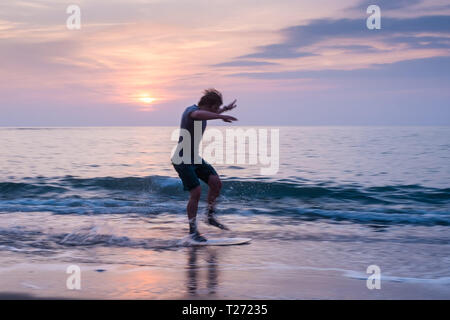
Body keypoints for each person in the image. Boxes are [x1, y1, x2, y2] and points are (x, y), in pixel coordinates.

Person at [172, 89, 238, 242]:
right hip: (182, 158)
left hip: (194, 158)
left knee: (216, 182)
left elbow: (207, 114)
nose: (216, 112)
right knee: (196, 192)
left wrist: (224, 110)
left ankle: (209, 217)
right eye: (215, 108)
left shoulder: (205, 112)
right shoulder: (192, 111)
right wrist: (221, 116)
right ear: (209, 105)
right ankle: (193, 231)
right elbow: (198, 115)